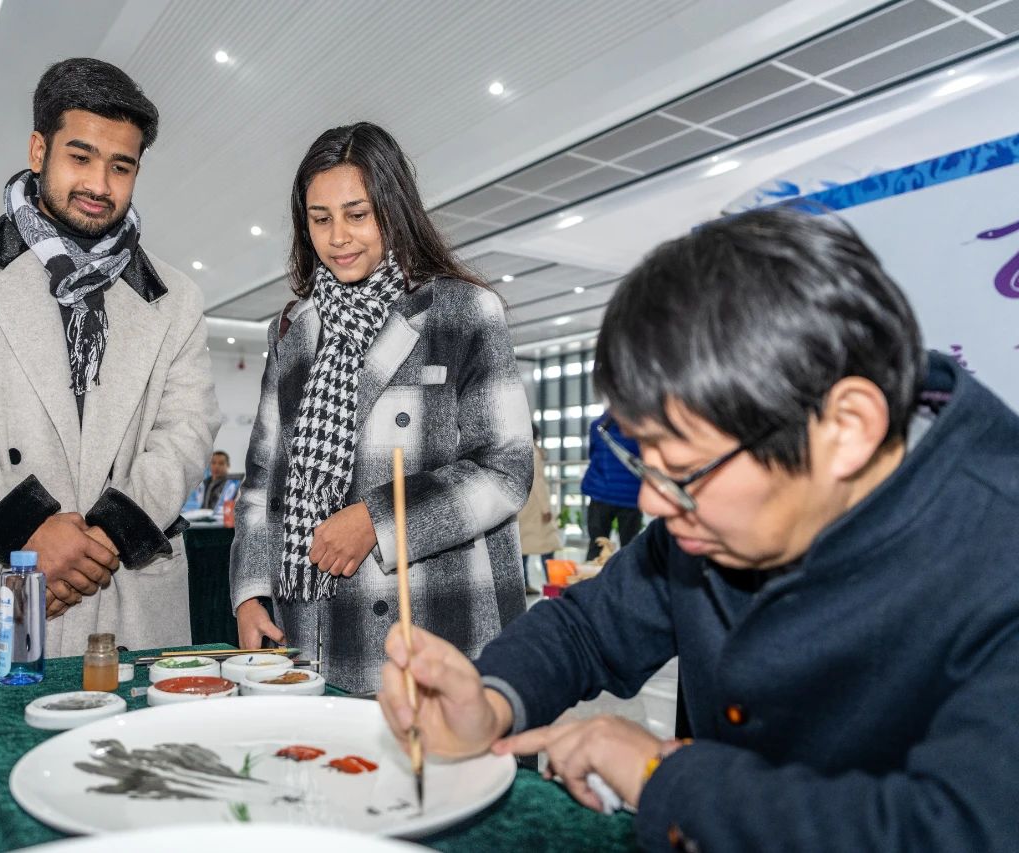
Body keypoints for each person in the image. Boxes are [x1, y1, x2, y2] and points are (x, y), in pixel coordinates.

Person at [378, 207, 1019, 850]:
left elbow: (958, 830)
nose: (652, 502)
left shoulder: (999, 554)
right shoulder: (712, 515)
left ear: (847, 428)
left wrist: (662, 777)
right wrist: (489, 702)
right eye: (642, 458)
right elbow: (589, 627)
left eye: (683, 470)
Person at [0, 58, 219, 660]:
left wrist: (100, 541)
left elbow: (187, 433)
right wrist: (33, 530)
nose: (100, 184)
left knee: (119, 722)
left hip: (125, 588)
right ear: (39, 150)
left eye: (121, 166)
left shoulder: (175, 298)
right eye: (80, 157)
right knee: (3, 713)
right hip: (2, 574)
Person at [229, 122, 532, 693]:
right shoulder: (293, 332)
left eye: (357, 214)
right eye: (320, 219)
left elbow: (506, 470)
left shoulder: (463, 311)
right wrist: (250, 594)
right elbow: (262, 483)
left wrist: (378, 520)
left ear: (393, 212)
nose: (338, 237)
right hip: (312, 632)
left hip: (439, 623)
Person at [582, 411, 642, 553]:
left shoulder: (598, 426)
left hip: (601, 491)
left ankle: (596, 566)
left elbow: (593, 454)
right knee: (630, 547)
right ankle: (628, 567)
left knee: (597, 545)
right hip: (630, 495)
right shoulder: (640, 427)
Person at [517, 423, 560, 591]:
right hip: (535, 507)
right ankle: (553, 587)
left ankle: (524, 585)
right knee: (548, 547)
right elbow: (538, 483)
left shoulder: (518, 451)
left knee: (523, 547)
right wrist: (546, 509)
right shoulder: (533, 453)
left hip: (523, 506)